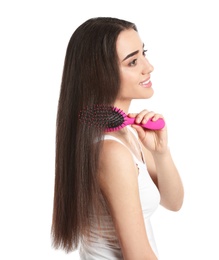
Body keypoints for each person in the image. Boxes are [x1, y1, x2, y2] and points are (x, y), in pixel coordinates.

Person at [51, 17, 184, 260]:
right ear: (99, 74)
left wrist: (161, 152)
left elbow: (173, 201)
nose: (148, 67)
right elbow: (137, 255)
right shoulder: (110, 152)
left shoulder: (128, 133)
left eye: (143, 53)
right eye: (133, 61)